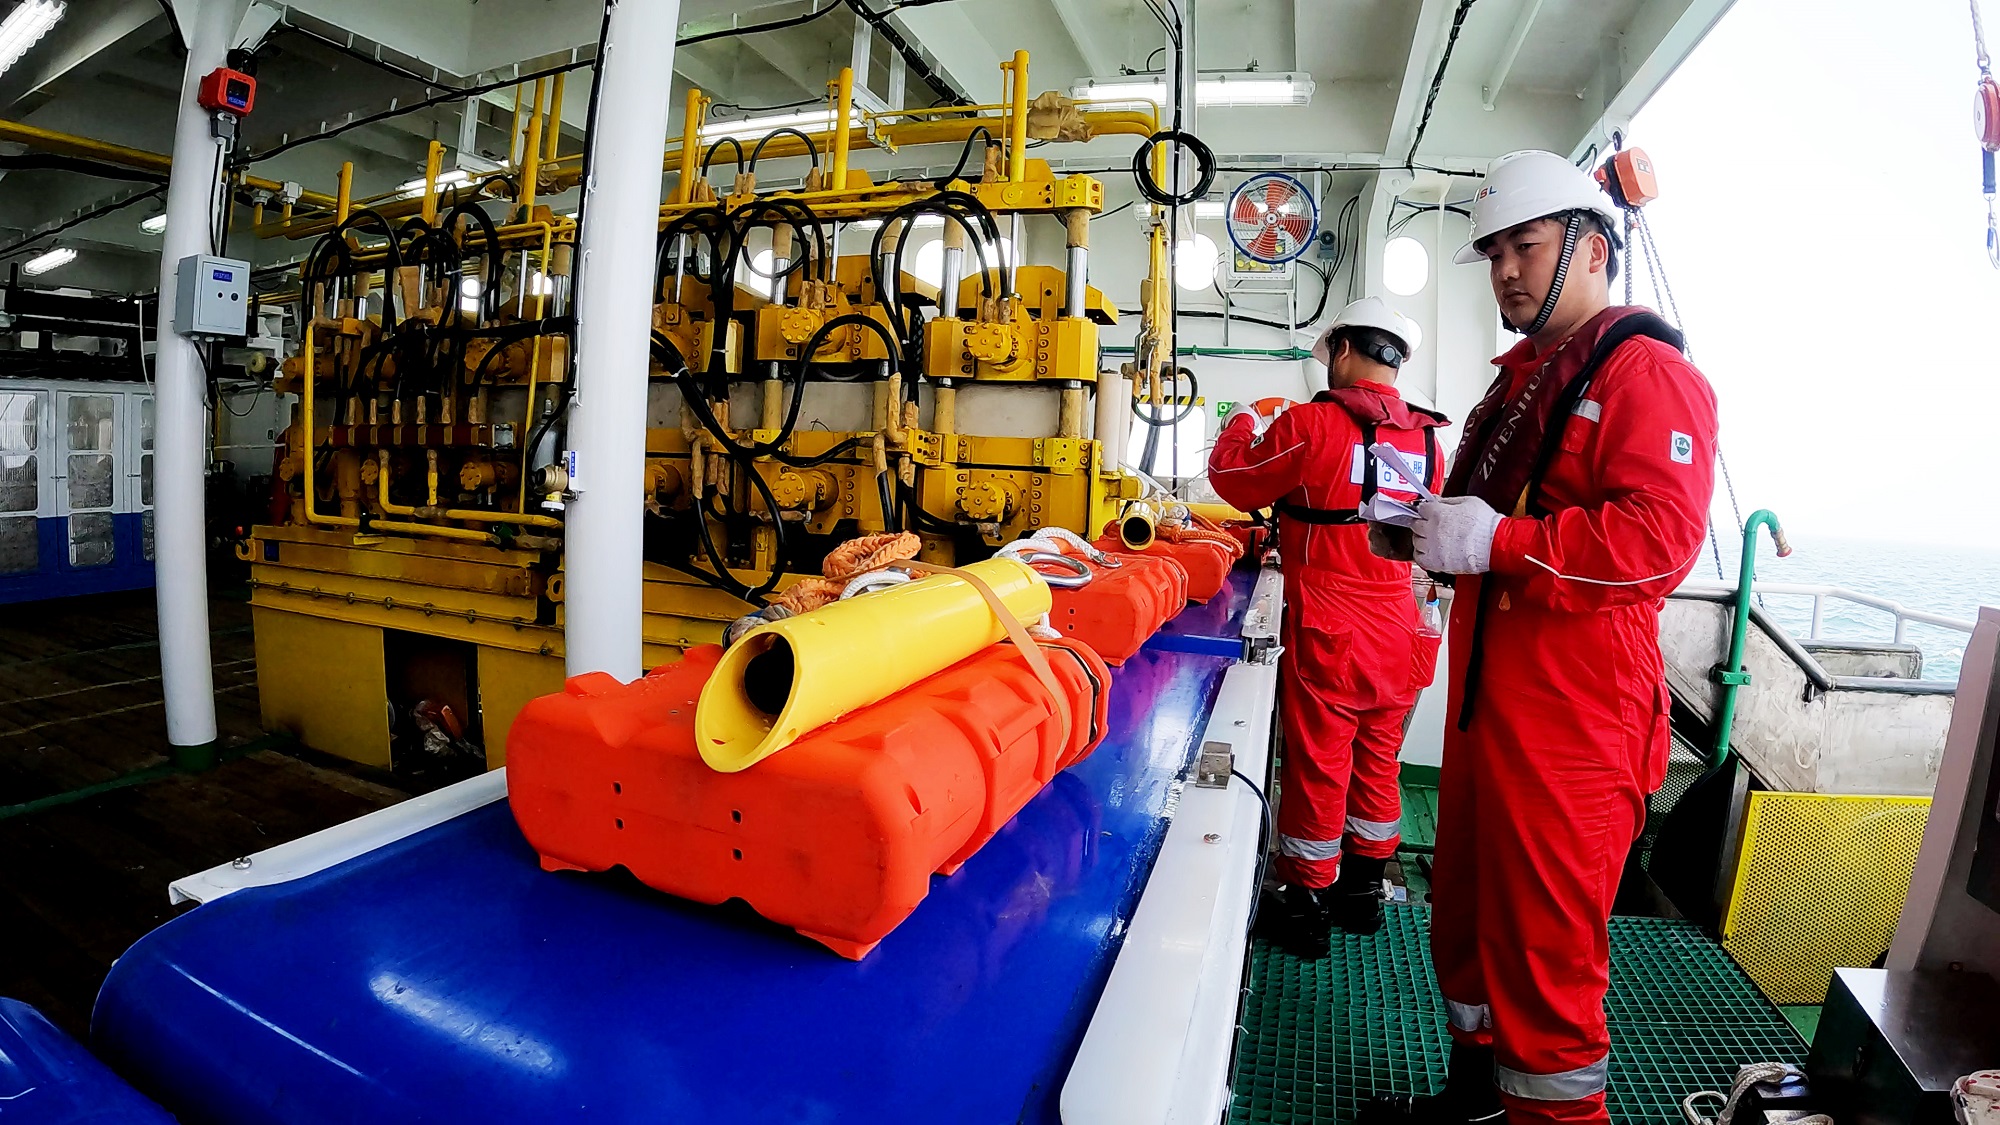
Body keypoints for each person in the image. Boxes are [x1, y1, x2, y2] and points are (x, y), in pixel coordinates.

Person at [1363, 150, 1719, 1125]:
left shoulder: (1649, 374)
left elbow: (1656, 543)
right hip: (1488, 719)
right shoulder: (1515, 385)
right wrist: (1427, 533)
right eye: (1493, 254)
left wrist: (1497, 542)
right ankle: (1476, 1102)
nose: (1506, 271)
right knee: (1466, 926)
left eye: (1524, 245)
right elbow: (1492, 524)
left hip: (1574, 731)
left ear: (1592, 248)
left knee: (1545, 969)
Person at [1206, 297, 1448, 958]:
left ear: (1342, 349)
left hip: (1331, 624)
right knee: (1378, 757)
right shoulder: (1430, 440)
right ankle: (1364, 891)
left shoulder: (1311, 424)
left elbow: (1232, 477)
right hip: (1403, 623)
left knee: (1319, 761)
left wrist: (1245, 419)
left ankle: (1306, 903)